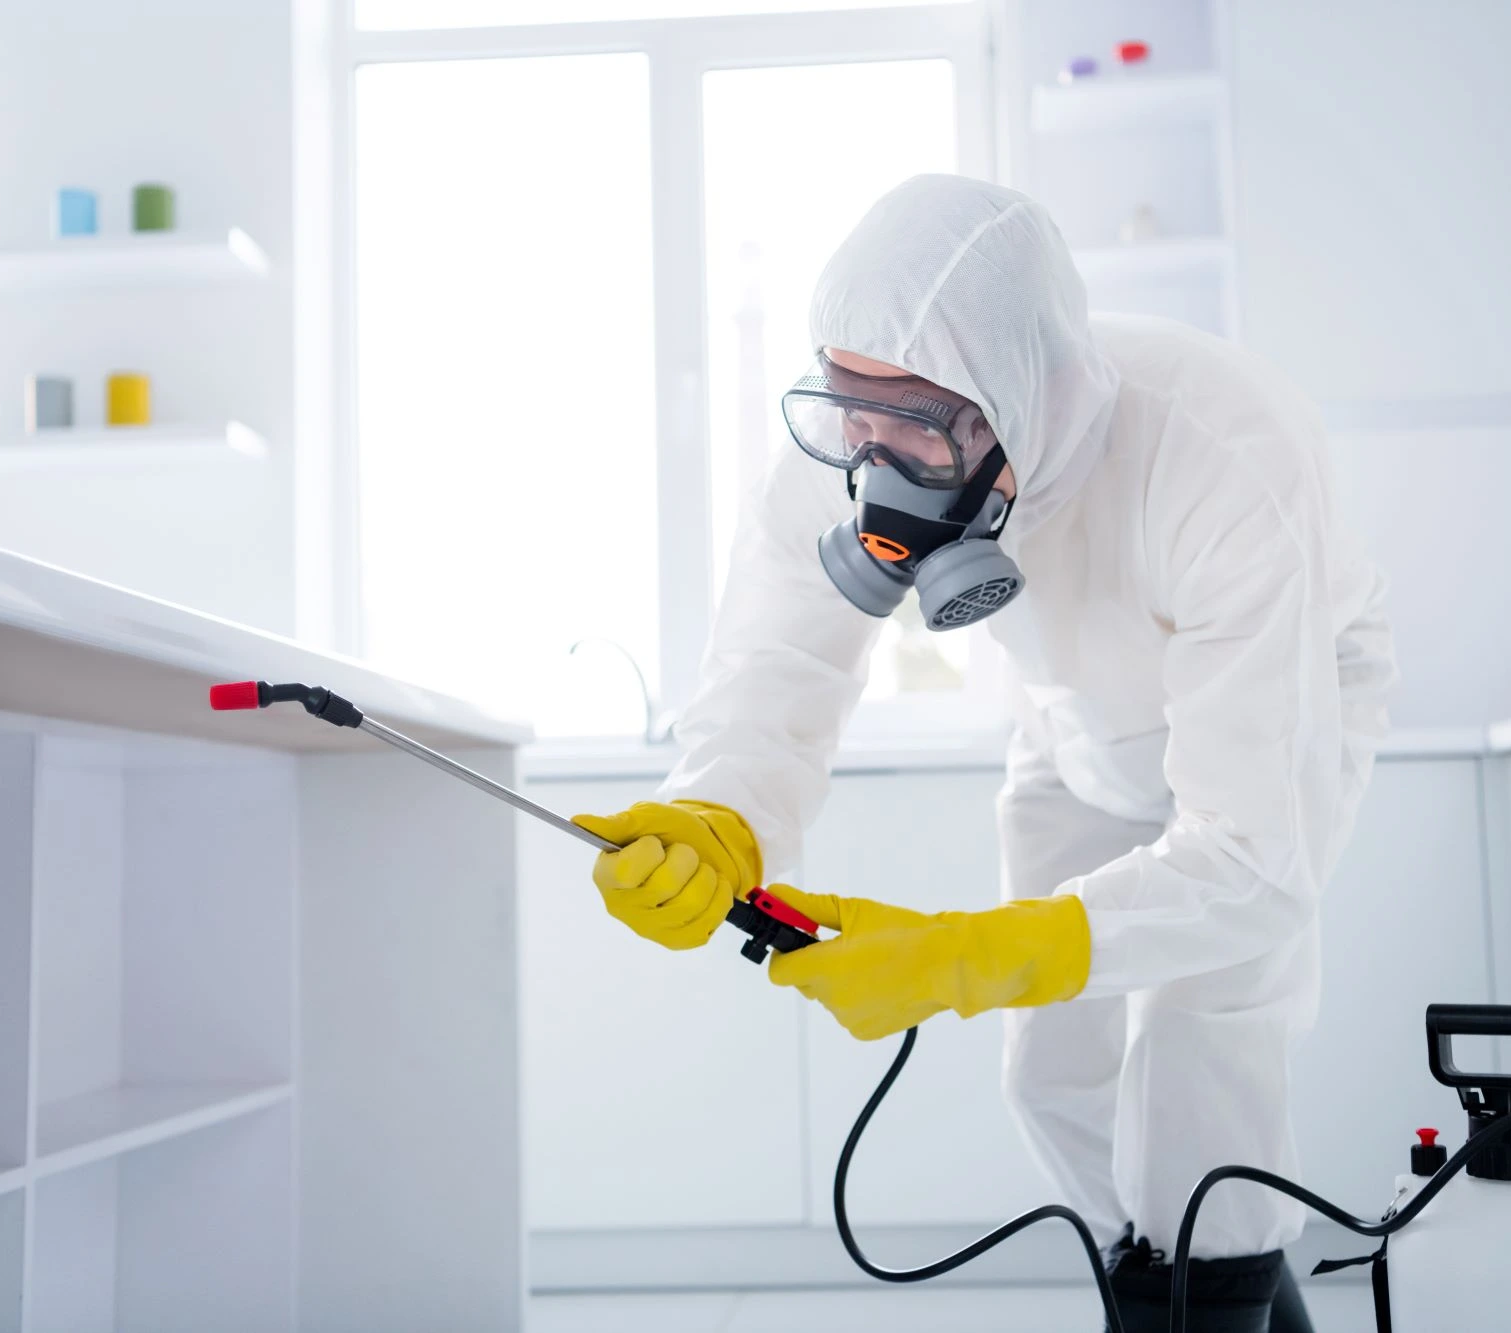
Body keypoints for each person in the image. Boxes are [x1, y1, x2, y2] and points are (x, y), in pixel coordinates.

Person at [575, 174, 1395, 1333]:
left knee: (1199, 1061)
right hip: (1072, 722)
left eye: (905, 421)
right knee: (1049, 1074)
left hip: (1277, 712)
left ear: (1010, 402)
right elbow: (777, 661)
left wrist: (970, 952)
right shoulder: (850, 430)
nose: (866, 459)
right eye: (846, 409)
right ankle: (1165, 1276)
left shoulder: (1222, 449)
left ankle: (1201, 1284)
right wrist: (718, 813)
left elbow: (1252, 858)